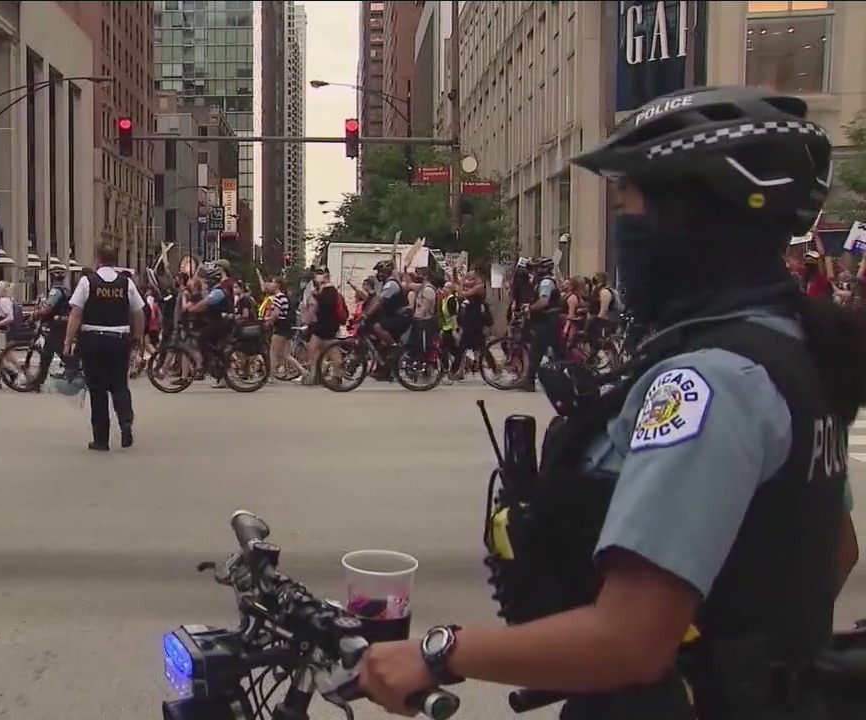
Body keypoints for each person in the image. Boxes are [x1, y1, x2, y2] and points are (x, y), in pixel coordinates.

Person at [358, 86, 861, 720]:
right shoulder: (796, 352)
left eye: (628, 205)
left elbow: (628, 642)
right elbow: (831, 550)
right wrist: (742, 640)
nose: (623, 230)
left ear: (693, 216)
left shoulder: (706, 384)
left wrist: (438, 654)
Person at [62, 244, 146, 451]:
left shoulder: (87, 281)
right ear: (114, 261)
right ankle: (125, 423)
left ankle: (101, 439)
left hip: (93, 341)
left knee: (97, 389)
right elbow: (139, 312)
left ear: (97, 259)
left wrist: (68, 342)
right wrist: (138, 338)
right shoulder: (126, 283)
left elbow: (75, 313)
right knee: (119, 384)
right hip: (119, 339)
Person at [520, 257, 565, 391]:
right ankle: (571, 376)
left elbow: (543, 302)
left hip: (547, 322)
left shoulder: (545, 282)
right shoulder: (542, 281)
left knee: (537, 352)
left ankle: (529, 381)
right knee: (559, 352)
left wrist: (530, 308)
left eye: (535, 267)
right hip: (548, 321)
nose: (533, 271)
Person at [29, 265, 72, 386]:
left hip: (55, 323)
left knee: (54, 349)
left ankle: (72, 367)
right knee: (48, 353)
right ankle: (39, 380)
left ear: (52, 277)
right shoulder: (67, 290)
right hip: (64, 322)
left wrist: (35, 315)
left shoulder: (55, 291)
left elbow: (47, 309)